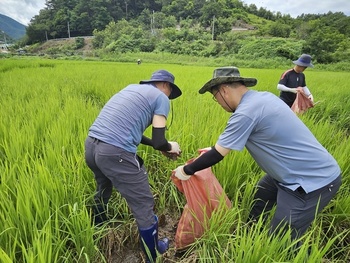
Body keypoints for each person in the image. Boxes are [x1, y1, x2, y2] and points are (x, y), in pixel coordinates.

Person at [174, 66, 341, 242]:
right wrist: (213, 148)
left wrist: (186, 170)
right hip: (290, 171)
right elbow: (230, 142)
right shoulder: (264, 98)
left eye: (216, 98)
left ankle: (273, 246)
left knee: (283, 240)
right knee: (261, 196)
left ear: (223, 90)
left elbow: (218, 154)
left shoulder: (245, 112)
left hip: (312, 181)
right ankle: (251, 235)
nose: (220, 104)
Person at [85, 69, 182, 262]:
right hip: (115, 153)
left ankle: (99, 230)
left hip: (92, 146)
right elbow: (159, 140)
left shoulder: (130, 89)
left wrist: (160, 145)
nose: (169, 96)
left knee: (103, 188)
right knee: (144, 203)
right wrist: (170, 146)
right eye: (170, 91)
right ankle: (152, 253)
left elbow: (133, 132)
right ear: (166, 86)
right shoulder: (161, 98)